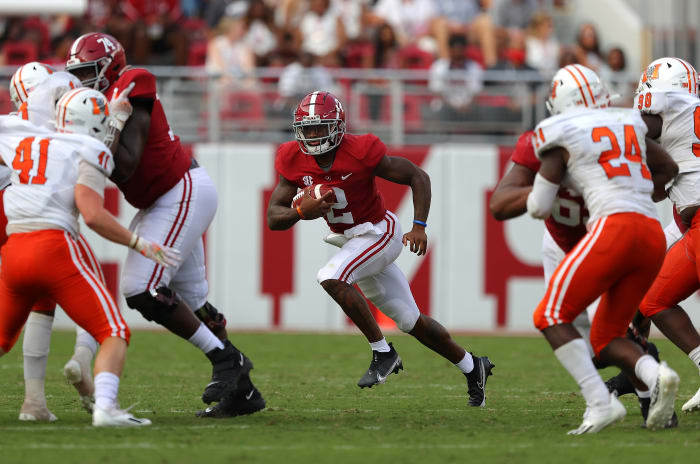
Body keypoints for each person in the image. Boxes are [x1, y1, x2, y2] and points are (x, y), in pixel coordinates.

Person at [65, 32, 264, 418]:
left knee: (141, 288)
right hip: (162, 198)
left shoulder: (132, 84)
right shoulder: (97, 104)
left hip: (178, 190)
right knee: (193, 300)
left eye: (89, 73)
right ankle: (243, 392)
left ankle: (227, 359)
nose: (82, 82)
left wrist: (102, 128)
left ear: (109, 69)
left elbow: (126, 163)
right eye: (77, 74)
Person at [267, 91, 494, 406]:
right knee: (409, 320)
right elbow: (274, 218)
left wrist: (419, 226)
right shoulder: (291, 157)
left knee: (330, 275)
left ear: (338, 126)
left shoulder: (361, 151)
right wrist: (301, 212)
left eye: (321, 127)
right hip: (353, 241)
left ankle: (383, 352)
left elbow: (418, 175)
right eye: (308, 129)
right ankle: (473, 366)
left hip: (379, 232)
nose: (313, 135)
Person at [0, 86, 178, 426]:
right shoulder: (89, 149)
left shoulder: (24, 140)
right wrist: (139, 243)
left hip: (13, 250)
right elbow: (93, 214)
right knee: (113, 332)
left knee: (2, 339)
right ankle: (106, 408)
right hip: (53, 246)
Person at [490, 127, 680, 427]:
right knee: (580, 344)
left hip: (603, 240)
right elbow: (500, 203)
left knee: (602, 334)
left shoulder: (616, 138)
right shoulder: (543, 141)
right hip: (560, 241)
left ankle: (639, 396)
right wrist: (545, 186)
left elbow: (666, 169)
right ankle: (634, 376)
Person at [527, 64, 680, 433]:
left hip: (614, 227)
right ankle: (656, 373)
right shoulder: (626, 121)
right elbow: (669, 167)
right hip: (650, 234)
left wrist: (571, 179)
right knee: (606, 336)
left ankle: (600, 404)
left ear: (561, 101)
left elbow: (538, 207)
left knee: (549, 314)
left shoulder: (560, 130)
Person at [7, 64, 105, 421]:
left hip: (14, 219)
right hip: (35, 221)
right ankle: (80, 356)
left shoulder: (12, 125)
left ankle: (35, 402)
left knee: (35, 301)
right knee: (88, 287)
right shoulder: (64, 131)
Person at [635, 57, 700, 413]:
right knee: (652, 298)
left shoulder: (668, 108)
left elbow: (635, 129)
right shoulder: (689, 112)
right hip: (694, 225)